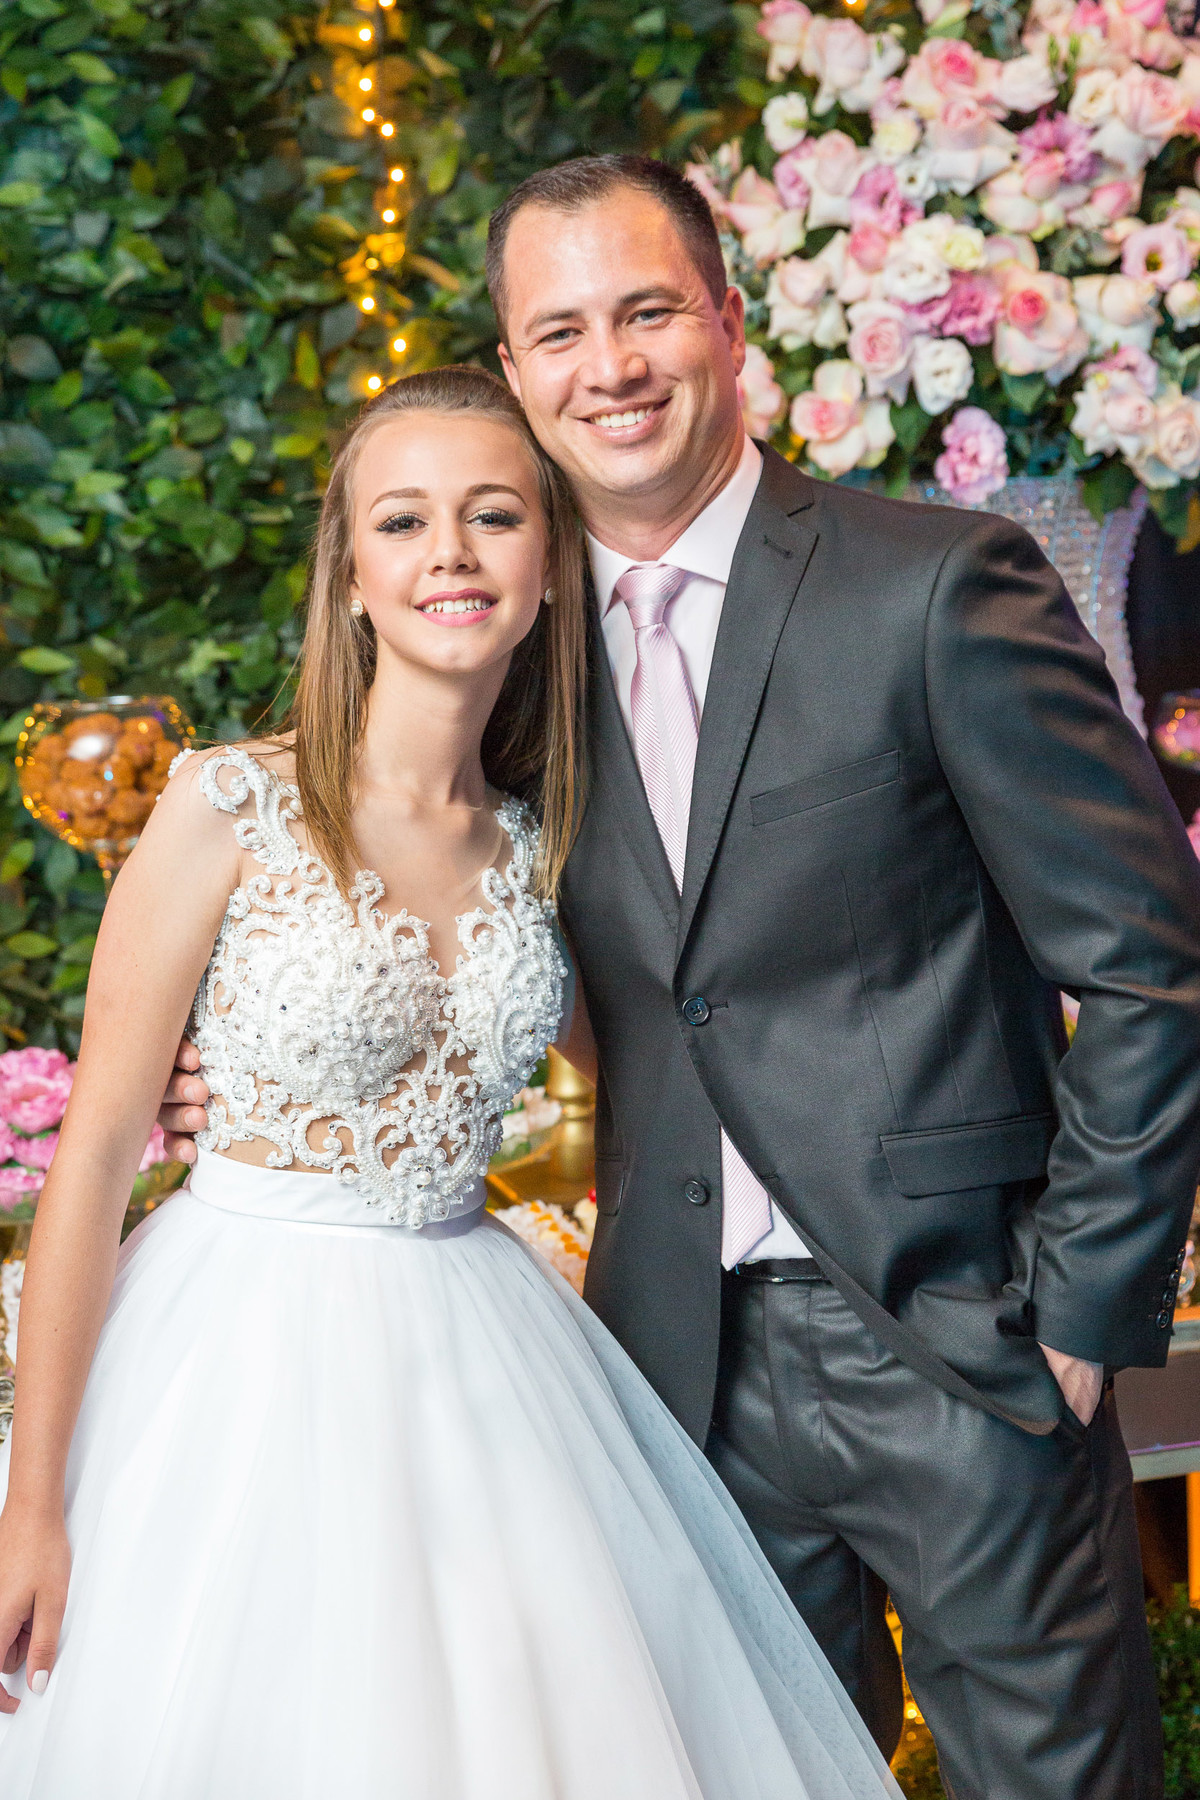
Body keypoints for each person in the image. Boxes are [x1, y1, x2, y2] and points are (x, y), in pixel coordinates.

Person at [157, 159, 1200, 1797]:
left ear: (728, 320)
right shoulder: (502, 630)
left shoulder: (938, 583)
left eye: (648, 311)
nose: (611, 366)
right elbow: (377, 865)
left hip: (955, 1340)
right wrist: (233, 1063)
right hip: (665, 1377)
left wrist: (1076, 1313)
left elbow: (1152, 968)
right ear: (515, 373)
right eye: (560, 331)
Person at [0, 366, 902, 1800]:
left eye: (493, 517)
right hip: (239, 1351)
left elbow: (670, 1085)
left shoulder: (554, 848)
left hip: (489, 1360)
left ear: (551, 570)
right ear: (350, 575)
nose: (451, 556)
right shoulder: (226, 806)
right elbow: (96, 1160)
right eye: (404, 522)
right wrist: (32, 1508)